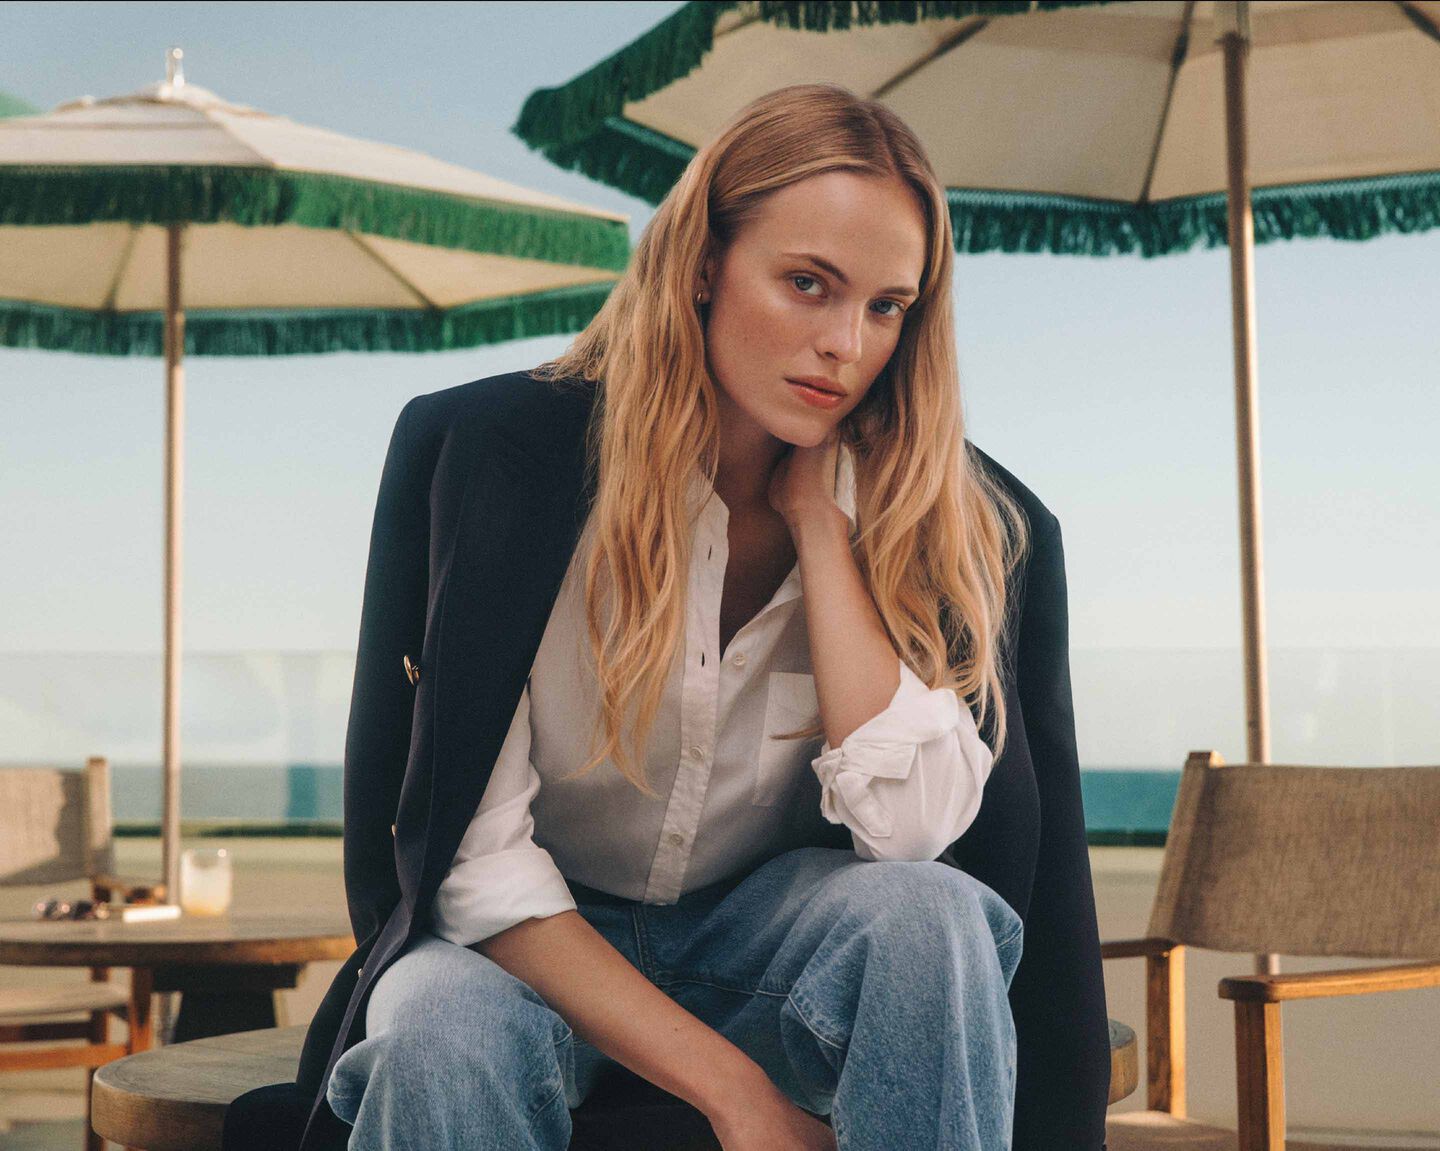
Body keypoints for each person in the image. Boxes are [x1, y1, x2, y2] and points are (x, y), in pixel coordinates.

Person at [222, 83, 1109, 1151]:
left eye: (885, 306)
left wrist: (826, 536)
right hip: (528, 945)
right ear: (702, 264)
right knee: (435, 1033)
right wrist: (737, 1092)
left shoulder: (947, 513)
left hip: (769, 934)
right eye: (805, 283)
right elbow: (472, 862)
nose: (846, 343)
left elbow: (915, 832)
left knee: (936, 920)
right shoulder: (499, 460)